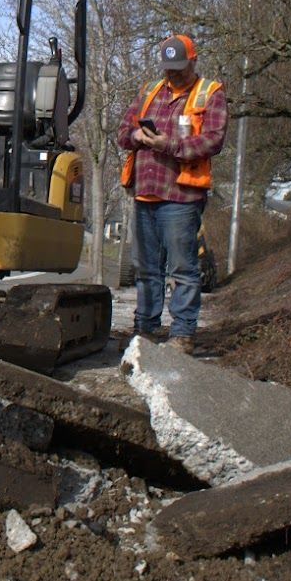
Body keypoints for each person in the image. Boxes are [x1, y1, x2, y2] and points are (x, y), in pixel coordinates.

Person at [117, 34, 228, 354]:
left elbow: (212, 141)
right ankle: (147, 330)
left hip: (181, 196)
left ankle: (182, 334)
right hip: (145, 193)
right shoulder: (149, 91)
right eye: (168, 68)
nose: (173, 74)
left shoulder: (210, 93)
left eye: (179, 68)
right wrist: (137, 134)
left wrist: (168, 145)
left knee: (182, 268)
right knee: (147, 268)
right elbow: (123, 133)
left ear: (193, 61)